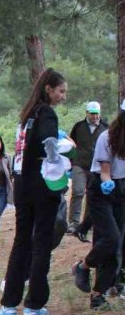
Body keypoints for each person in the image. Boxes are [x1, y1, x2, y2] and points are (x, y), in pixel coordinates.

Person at [0, 69, 68, 315]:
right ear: (48, 88)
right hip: (40, 183)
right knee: (41, 242)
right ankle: (34, 305)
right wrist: (57, 163)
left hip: (22, 183)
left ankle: (8, 305)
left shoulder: (27, 115)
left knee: (21, 241)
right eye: (61, 91)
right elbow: (49, 142)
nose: (63, 96)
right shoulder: (46, 113)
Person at [72, 101, 125, 310]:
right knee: (110, 238)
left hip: (121, 190)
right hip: (101, 189)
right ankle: (82, 266)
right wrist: (108, 183)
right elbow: (104, 170)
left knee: (117, 246)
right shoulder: (107, 137)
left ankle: (97, 294)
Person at [67, 101, 107, 242]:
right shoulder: (79, 126)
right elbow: (71, 143)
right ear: (87, 113)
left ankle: (87, 224)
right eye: (92, 113)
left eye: (97, 113)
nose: (95, 116)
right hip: (79, 164)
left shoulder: (105, 128)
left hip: (96, 167)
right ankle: (73, 223)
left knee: (92, 195)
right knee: (78, 191)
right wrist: (71, 162)